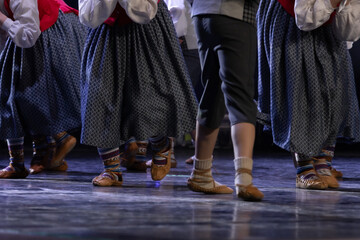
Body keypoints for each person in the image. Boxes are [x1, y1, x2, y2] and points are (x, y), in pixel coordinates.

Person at [78, 0, 198, 186]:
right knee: (99, 97)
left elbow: (146, 11)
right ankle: (111, 170)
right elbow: (87, 16)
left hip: (144, 32)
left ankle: (161, 144)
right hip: (104, 33)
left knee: (143, 99)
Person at [257, 0, 360, 189]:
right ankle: (304, 168)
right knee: (300, 90)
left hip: (325, 25)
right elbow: (304, 18)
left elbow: (348, 31)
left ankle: (323, 163)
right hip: (292, 19)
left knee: (337, 89)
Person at [187, 0, 264, 201]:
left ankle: (201, 173)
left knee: (212, 91)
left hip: (202, 14)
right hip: (235, 14)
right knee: (239, 95)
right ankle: (244, 179)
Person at [0, 0, 87, 178]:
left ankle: (25, 160)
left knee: (24, 94)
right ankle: (45, 156)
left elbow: (28, 35)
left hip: (48, 30)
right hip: (38, 28)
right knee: (20, 92)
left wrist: (2, 19)